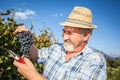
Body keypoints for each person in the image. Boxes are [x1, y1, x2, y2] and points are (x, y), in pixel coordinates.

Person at [13, 6, 107, 80]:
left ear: (86, 36)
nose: (64, 37)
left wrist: (33, 76)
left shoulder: (94, 61)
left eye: (69, 33)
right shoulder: (56, 48)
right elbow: (36, 55)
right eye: (64, 31)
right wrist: (29, 39)